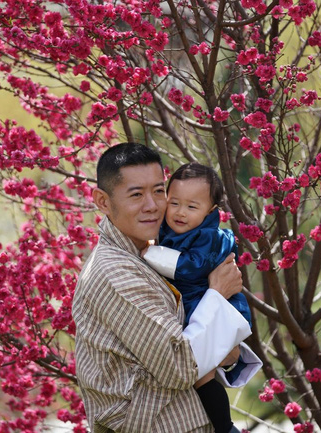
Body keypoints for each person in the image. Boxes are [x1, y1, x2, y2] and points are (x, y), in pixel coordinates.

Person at [72, 142, 253, 433]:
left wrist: (228, 349)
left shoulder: (152, 254)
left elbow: (223, 354)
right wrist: (217, 294)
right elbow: (180, 366)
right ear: (103, 202)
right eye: (136, 195)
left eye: (158, 191)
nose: (153, 206)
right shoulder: (115, 272)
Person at [143, 162, 254, 433]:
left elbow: (191, 266)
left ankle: (226, 427)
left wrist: (148, 254)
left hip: (218, 304)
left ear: (211, 212)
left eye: (192, 207)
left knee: (201, 376)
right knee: (197, 372)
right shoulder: (171, 229)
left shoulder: (208, 237)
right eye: (175, 203)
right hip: (197, 303)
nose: (181, 213)